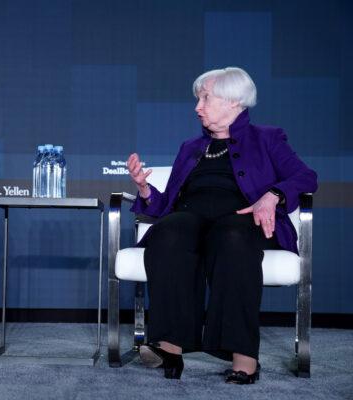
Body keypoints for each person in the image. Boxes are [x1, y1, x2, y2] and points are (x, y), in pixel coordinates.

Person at [127, 67, 317, 384]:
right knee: (170, 231)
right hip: (191, 217)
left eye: (205, 98)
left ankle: (242, 353)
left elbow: (306, 177)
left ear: (233, 102)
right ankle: (170, 346)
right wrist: (146, 191)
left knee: (231, 237)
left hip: (243, 218)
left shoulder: (268, 138)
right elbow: (169, 204)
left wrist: (273, 196)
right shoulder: (191, 147)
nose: (196, 107)